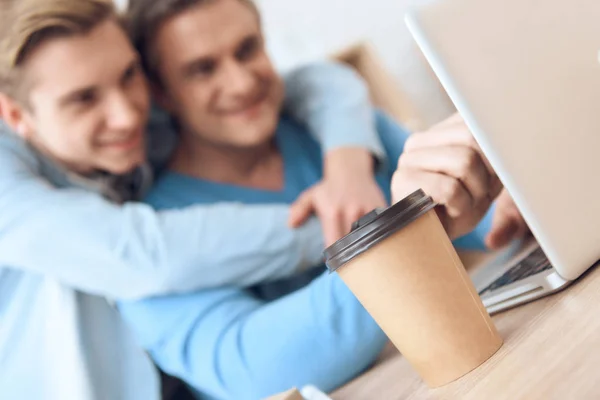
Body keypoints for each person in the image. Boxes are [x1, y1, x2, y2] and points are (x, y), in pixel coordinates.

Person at [118, 0, 527, 398]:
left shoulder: (340, 137)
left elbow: (491, 227)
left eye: (248, 49)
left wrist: (508, 198)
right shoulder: (146, 238)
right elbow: (256, 374)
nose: (241, 83)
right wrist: (407, 238)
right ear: (161, 93)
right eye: (202, 70)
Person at [0, 0, 398, 398]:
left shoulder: (149, 120)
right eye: (83, 99)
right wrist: (368, 224)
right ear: (15, 117)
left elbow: (311, 82)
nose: (127, 115)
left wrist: (349, 165)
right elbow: (145, 256)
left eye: (129, 75)